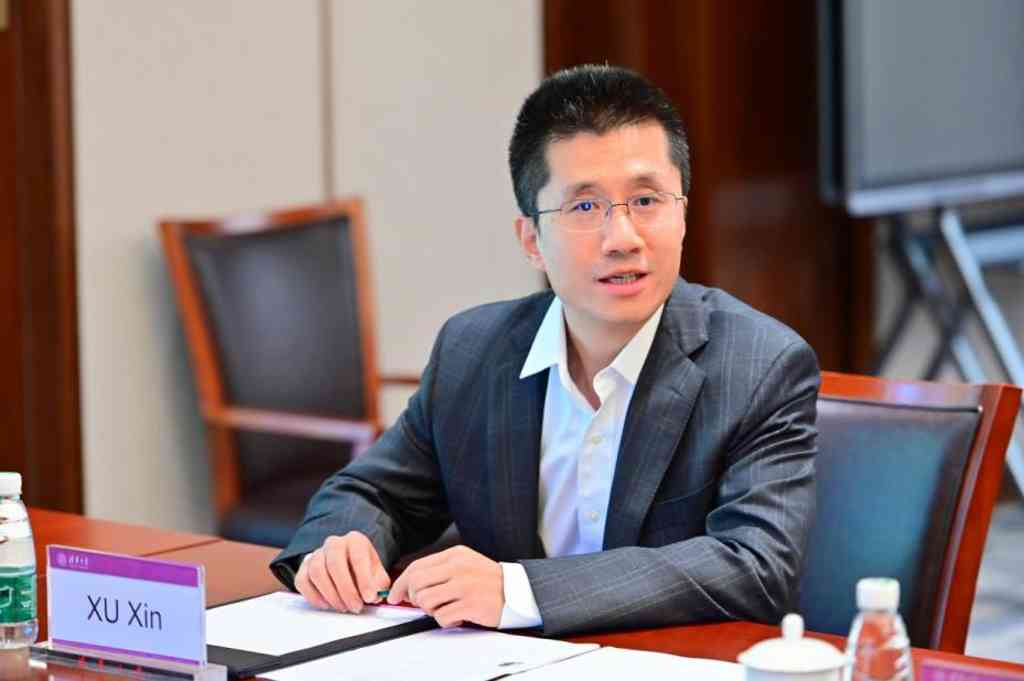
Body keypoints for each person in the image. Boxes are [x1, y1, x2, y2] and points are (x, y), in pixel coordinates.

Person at [270, 64, 819, 636]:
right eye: (584, 207)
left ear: (682, 214)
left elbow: (756, 564)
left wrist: (519, 591)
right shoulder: (473, 351)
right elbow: (373, 492)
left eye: (646, 200)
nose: (623, 238)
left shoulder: (759, 365)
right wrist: (343, 546)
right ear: (531, 239)